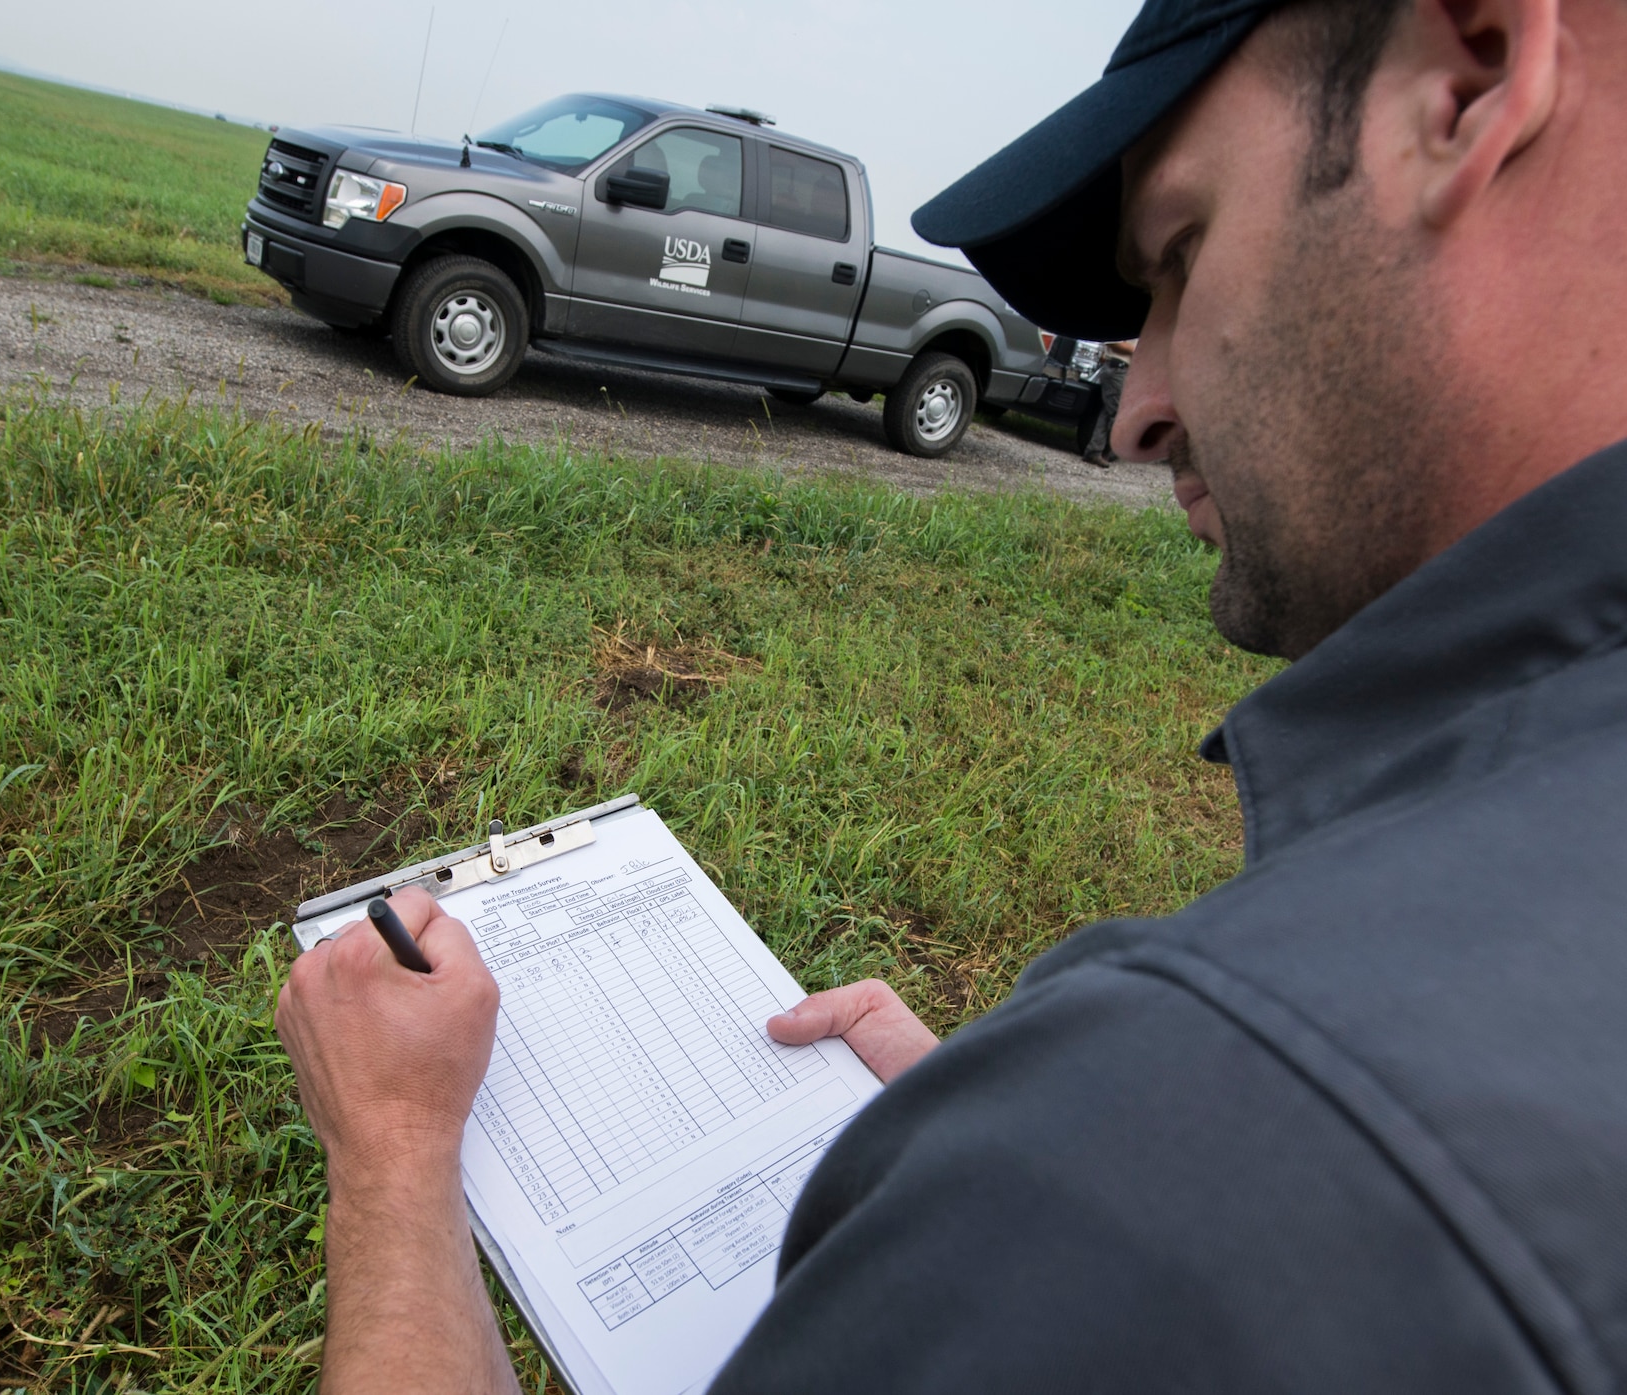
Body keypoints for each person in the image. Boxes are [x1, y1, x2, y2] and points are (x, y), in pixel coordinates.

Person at [274, 0, 1627, 1388]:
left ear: (1466, 80)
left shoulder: (1230, 1098)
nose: (1137, 405)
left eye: (1179, 252)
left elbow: (1257, 1157)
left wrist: (392, 1157)